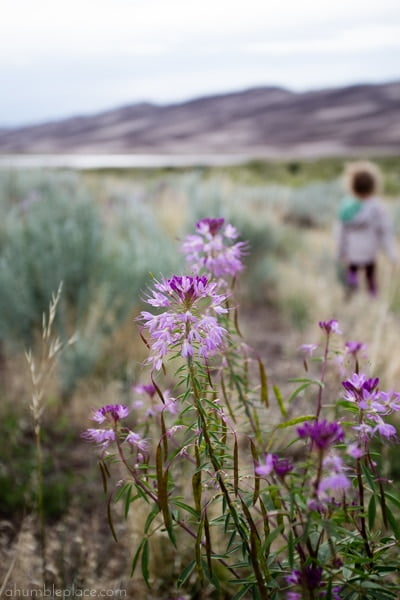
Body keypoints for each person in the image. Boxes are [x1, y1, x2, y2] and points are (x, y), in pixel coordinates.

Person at [337, 161, 397, 297]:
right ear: (374, 185)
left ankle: (351, 295)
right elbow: (386, 232)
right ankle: (372, 296)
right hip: (370, 253)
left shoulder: (346, 208)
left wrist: (340, 252)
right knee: (371, 277)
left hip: (352, 252)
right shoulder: (377, 208)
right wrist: (392, 254)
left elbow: (341, 233)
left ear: (351, 185)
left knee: (352, 274)